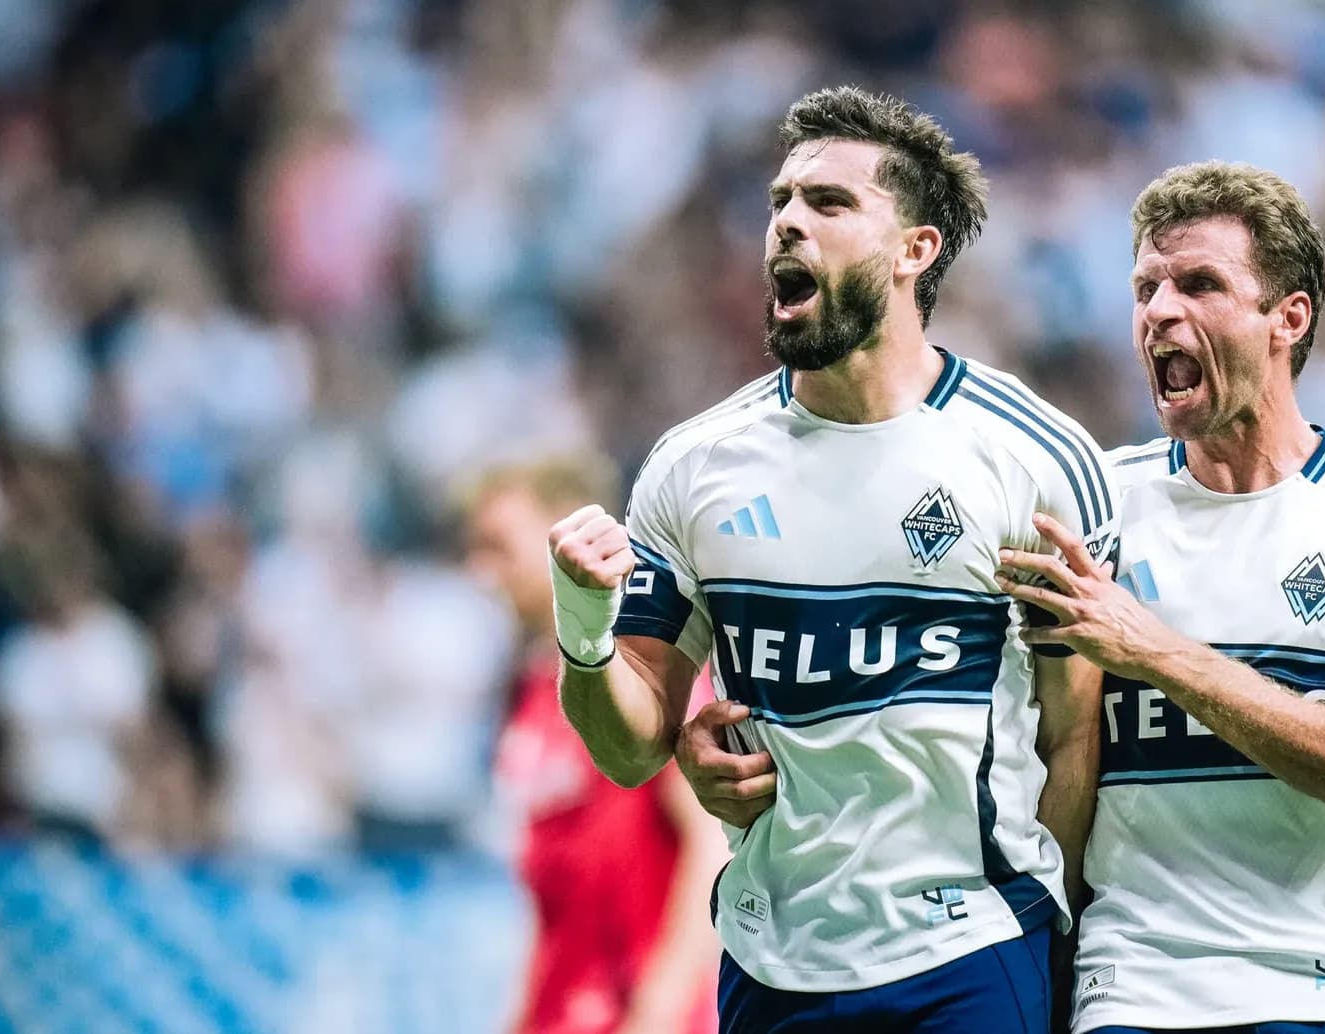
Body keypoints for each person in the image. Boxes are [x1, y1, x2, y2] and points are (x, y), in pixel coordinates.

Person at [546, 86, 1115, 1032]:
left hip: (969, 955)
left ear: (914, 250)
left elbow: (1074, 734)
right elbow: (628, 749)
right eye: (780, 202)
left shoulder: (1036, 459)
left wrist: (1047, 937)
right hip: (774, 960)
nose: (785, 225)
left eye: (829, 202)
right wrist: (583, 632)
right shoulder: (694, 466)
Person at [993, 161, 1325, 1033]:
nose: (1159, 313)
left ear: (1287, 317)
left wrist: (1158, 654)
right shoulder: (1088, 511)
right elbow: (1036, 751)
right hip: (1135, 986)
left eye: (1200, 284)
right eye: (1146, 288)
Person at [467, 455, 722, 1034]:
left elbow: (711, 849)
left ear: (567, 526)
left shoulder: (640, 671)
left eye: (498, 545)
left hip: (639, 1010)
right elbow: (547, 885)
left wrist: (659, 1012)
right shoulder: (531, 692)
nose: (481, 571)